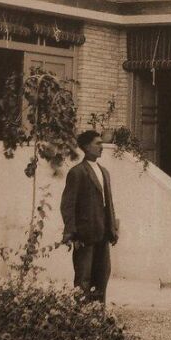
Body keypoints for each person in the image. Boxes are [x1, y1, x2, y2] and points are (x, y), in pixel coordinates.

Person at [61, 130, 119, 304]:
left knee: (102, 277)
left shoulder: (105, 172)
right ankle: (81, 319)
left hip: (103, 233)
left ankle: (97, 318)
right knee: (83, 279)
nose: (102, 147)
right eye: (97, 143)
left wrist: (113, 229)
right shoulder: (77, 172)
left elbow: (109, 203)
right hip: (85, 235)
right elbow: (68, 206)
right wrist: (71, 234)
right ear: (86, 147)